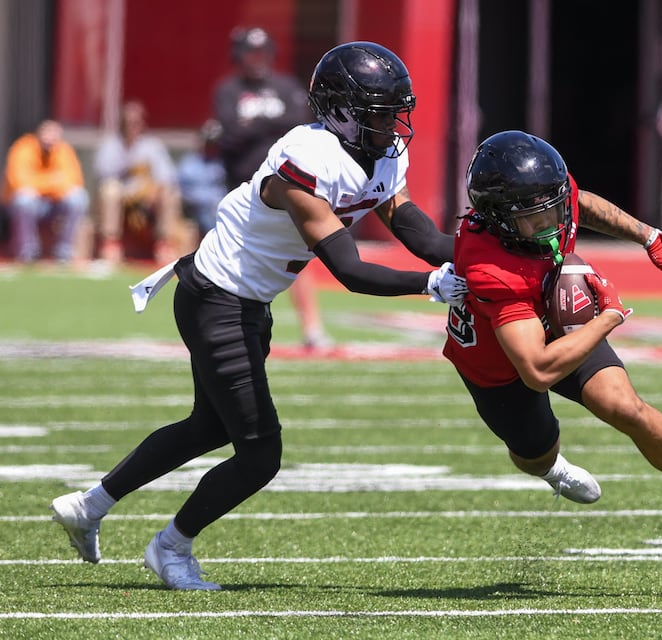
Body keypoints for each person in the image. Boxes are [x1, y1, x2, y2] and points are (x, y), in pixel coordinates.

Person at [50, 41, 467, 590]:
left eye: (396, 111)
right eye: (380, 112)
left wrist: (471, 255)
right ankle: (170, 547)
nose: (393, 125)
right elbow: (348, 268)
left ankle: (89, 505)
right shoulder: (307, 158)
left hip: (243, 301)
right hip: (218, 297)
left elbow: (413, 227)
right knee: (260, 453)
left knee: (208, 426)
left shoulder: (380, 152)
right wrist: (433, 285)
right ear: (341, 110)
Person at [442, 130, 662, 550]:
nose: (552, 224)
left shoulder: (549, 197)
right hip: (497, 359)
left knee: (624, 406)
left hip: (555, 318)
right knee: (533, 453)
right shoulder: (490, 268)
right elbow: (536, 370)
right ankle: (553, 470)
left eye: (552, 209)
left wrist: (649, 236)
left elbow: (580, 203)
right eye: (534, 219)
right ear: (498, 217)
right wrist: (609, 316)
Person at [213, 26, 332, 350]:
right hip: (242, 189)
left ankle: (312, 328)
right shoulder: (228, 89)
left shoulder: (284, 85)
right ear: (238, 55)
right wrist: (268, 124)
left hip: (287, 187)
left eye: (262, 52)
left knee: (299, 254)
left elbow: (300, 120)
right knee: (233, 261)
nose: (257, 59)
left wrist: (256, 126)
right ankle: (226, 327)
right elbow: (228, 134)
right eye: (251, 53)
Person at [93, 100, 184, 264]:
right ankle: (111, 244)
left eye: (136, 122)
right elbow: (103, 175)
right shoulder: (111, 144)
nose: (132, 126)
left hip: (148, 198)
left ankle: (165, 245)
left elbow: (167, 176)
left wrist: (150, 189)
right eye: (128, 122)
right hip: (121, 198)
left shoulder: (152, 145)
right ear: (121, 123)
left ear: (142, 123)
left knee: (170, 192)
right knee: (110, 190)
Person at [2, 119, 89, 263]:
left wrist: (39, 183)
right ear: (38, 134)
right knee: (24, 200)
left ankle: (64, 251)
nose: (50, 140)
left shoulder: (64, 150)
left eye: (54, 136)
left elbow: (74, 180)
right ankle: (27, 251)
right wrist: (54, 181)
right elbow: (19, 182)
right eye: (46, 135)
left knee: (79, 198)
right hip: (31, 205)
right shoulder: (23, 148)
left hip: (54, 203)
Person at [176, 119, 227, 237]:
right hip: (197, 210)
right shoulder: (189, 164)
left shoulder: (224, 163)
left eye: (214, 143)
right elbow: (181, 191)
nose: (211, 147)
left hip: (221, 207)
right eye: (208, 143)